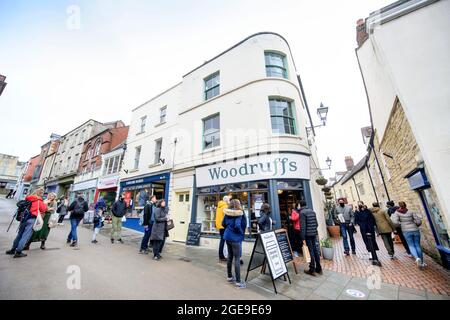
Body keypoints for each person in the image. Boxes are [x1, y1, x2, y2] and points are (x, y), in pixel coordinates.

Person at [6, 188, 47, 258]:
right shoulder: (39, 201)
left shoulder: (28, 198)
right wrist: (45, 203)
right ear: (41, 194)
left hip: (23, 218)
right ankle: (18, 252)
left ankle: (13, 249)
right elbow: (44, 209)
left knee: (19, 234)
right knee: (25, 236)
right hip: (32, 219)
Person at [391, 201, 425, 269]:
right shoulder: (411, 211)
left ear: (399, 206)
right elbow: (418, 221)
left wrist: (400, 225)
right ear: (405, 205)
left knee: (411, 245)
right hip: (415, 229)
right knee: (417, 245)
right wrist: (417, 225)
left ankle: (417, 258)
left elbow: (395, 222)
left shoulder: (397, 213)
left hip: (406, 231)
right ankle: (422, 262)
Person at [222, 199, 247, 289]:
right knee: (237, 259)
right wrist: (240, 233)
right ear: (238, 204)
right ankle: (238, 282)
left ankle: (229, 277)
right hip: (236, 238)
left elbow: (223, 223)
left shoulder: (227, 213)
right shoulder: (239, 213)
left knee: (229, 257)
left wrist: (229, 228)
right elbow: (237, 225)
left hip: (227, 237)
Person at [299, 200, 322, 276]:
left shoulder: (302, 213)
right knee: (315, 250)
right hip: (314, 234)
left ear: (300, 205)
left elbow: (303, 227)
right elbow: (316, 224)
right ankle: (319, 268)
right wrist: (314, 230)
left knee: (311, 251)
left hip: (308, 235)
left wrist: (303, 238)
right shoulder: (312, 211)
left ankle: (312, 269)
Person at [215, 196, 230, 261]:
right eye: (229, 200)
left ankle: (222, 255)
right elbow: (226, 217)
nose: (229, 201)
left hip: (220, 226)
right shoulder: (225, 207)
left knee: (222, 240)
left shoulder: (219, 207)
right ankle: (222, 256)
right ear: (226, 200)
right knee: (224, 241)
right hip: (224, 226)